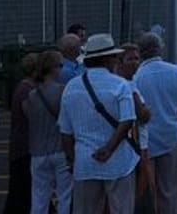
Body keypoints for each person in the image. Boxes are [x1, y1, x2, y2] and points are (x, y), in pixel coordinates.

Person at [58, 33, 140, 212]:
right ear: (109, 59)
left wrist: (72, 159)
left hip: (85, 161)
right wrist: (110, 148)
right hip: (119, 160)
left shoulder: (71, 87)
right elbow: (128, 120)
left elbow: (65, 131)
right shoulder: (120, 84)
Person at [133, 31, 177, 214]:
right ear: (159, 48)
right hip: (171, 134)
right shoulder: (176, 71)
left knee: (146, 188)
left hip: (145, 139)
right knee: (169, 187)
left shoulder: (137, 76)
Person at [24, 50, 71, 214]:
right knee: (65, 197)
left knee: (39, 198)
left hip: (38, 152)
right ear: (53, 69)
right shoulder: (63, 91)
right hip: (60, 150)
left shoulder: (32, 95)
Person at [3, 53, 38, 214]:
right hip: (24, 147)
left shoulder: (23, 87)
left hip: (21, 145)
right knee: (22, 189)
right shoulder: (27, 91)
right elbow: (31, 116)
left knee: (21, 191)